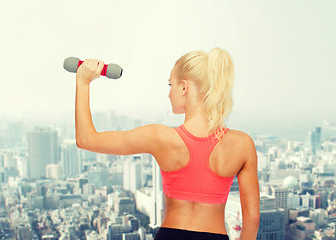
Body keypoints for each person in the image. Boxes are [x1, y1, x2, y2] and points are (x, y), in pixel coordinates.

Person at [74, 47, 260, 240]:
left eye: (170, 85)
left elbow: (86, 139)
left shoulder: (160, 137)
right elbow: (252, 220)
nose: (169, 94)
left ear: (184, 87)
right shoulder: (242, 144)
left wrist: (83, 81)